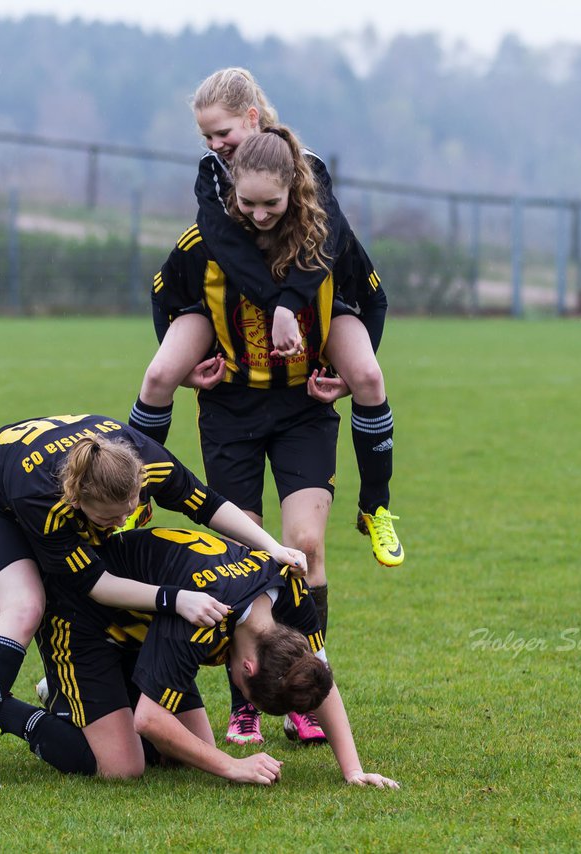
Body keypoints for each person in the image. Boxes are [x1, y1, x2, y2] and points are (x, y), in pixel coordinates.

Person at [141, 126, 381, 748]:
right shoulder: (206, 241)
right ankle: (246, 700)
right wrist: (185, 364)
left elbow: (370, 295)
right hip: (230, 411)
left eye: (269, 204)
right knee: (245, 562)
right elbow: (165, 294)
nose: (256, 213)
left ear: (293, 190)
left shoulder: (324, 238)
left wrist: (351, 368)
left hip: (302, 407)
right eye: (245, 203)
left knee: (304, 545)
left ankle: (308, 690)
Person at [0, 413, 307, 790]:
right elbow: (94, 583)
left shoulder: (146, 460)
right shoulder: (45, 503)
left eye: (130, 508)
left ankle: (72, 693)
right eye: (110, 517)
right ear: (76, 501)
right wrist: (175, 599)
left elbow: (206, 503)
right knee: (26, 605)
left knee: (178, 752)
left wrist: (273, 547)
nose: (122, 521)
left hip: (42, 471)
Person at [127, 66, 404, 573]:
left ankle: (376, 506)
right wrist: (263, 308)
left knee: (367, 375)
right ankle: (133, 493)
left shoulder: (308, 173)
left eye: (223, 133)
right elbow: (225, 246)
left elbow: (330, 244)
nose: (214, 144)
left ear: (252, 118)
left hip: (309, 322)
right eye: (206, 136)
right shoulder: (213, 179)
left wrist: (289, 306)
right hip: (227, 323)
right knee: (160, 373)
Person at [0, 526, 399, 789]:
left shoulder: (290, 591)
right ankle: (3, 709)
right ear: (247, 668)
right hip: (82, 615)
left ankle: (95, 699)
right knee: (121, 765)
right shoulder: (201, 615)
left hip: (143, 626)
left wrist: (353, 770)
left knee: (189, 750)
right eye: (248, 696)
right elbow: (148, 719)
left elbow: (319, 675)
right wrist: (231, 766)